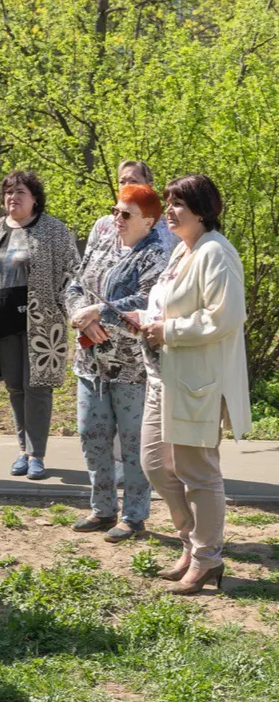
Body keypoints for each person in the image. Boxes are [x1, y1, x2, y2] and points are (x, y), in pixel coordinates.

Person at [136, 174, 251, 595]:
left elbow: (226, 317)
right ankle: (189, 543)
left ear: (201, 210)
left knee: (197, 473)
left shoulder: (216, 253)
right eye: (168, 202)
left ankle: (207, 559)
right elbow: (169, 303)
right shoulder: (184, 251)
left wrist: (169, 331)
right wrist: (147, 321)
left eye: (178, 204)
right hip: (164, 376)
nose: (169, 210)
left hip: (197, 382)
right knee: (156, 465)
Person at [65, 185, 168, 542]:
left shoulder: (155, 254)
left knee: (134, 442)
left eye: (126, 214)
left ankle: (134, 515)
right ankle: (103, 508)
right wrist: (81, 315)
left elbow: (148, 299)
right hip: (90, 362)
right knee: (91, 433)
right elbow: (75, 284)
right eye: (115, 211)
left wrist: (101, 312)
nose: (116, 219)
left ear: (149, 220)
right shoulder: (104, 242)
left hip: (132, 368)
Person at [0, 171, 80, 480]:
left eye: (20, 192)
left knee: (38, 387)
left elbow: (73, 273)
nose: (12, 197)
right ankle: (22, 450)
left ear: (35, 198)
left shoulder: (54, 231)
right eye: (8, 192)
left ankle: (37, 454)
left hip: (43, 324)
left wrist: (70, 310)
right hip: (2, 321)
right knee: (16, 387)